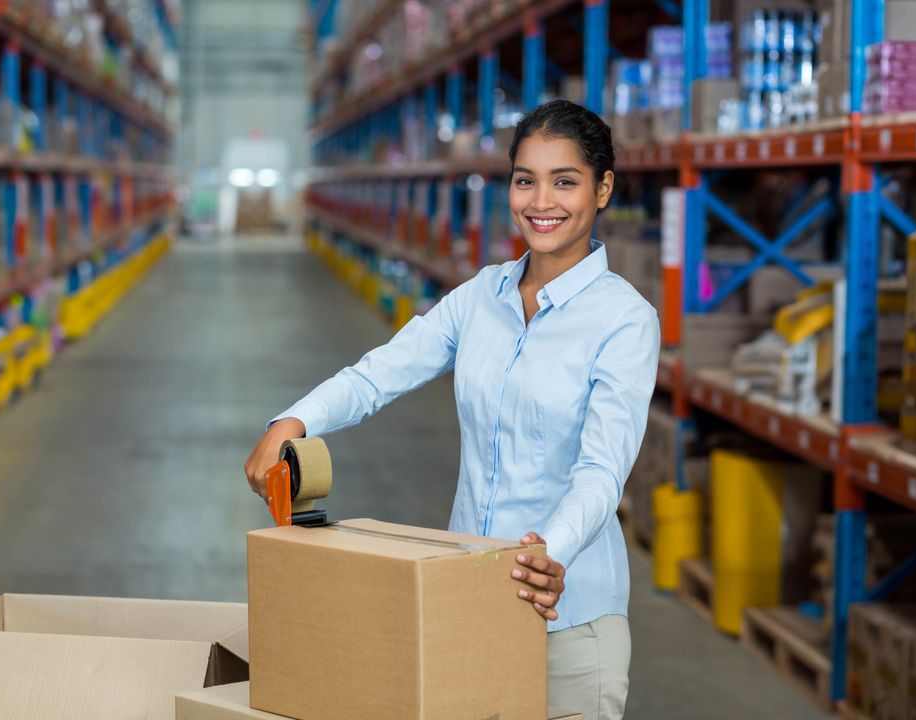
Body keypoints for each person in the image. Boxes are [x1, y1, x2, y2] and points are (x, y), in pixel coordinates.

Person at [244, 99, 659, 719]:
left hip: (565, 614)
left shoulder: (624, 320)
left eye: (565, 181)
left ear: (602, 190)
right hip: (466, 598)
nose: (541, 202)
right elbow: (379, 374)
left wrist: (552, 552)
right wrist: (292, 421)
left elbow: (602, 471)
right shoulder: (482, 296)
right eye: (526, 181)